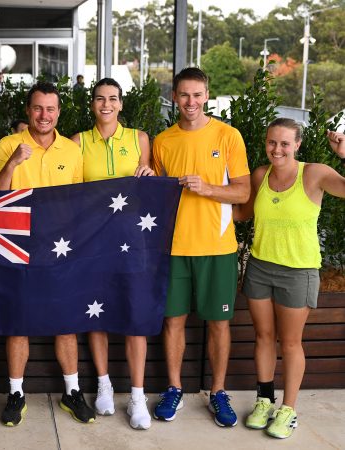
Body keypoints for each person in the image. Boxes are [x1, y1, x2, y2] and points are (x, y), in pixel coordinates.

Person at [0, 81, 94, 426]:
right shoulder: (8, 145)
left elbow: (79, 201)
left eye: (50, 108)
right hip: (18, 245)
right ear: (27, 110)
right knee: (19, 321)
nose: (44, 115)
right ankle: (16, 394)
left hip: (61, 249)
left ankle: (71, 391)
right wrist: (13, 164)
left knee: (65, 321)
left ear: (59, 112)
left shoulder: (72, 149)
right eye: (37, 108)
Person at [151, 67, 250, 427]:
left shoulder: (228, 136)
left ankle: (218, 392)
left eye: (196, 94)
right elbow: (156, 196)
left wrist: (207, 188)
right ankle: (174, 388)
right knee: (172, 322)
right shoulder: (163, 141)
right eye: (183, 95)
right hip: (173, 249)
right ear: (174, 97)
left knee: (219, 323)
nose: (190, 102)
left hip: (216, 248)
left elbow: (243, 192)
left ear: (206, 95)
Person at [234, 121, 345, 439]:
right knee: (263, 337)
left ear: (297, 145)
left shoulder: (316, 173)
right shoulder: (260, 175)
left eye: (284, 144)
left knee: (292, 342)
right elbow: (242, 213)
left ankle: (288, 410)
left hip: (298, 272)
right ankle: (264, 400)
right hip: (260, 267)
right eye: (272, 143)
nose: (277, 149)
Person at [70, 77, 154, 430]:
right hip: (92, 241)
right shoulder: (77, 142)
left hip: (132, 240)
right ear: (92, 104)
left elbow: (150, 182)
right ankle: (103, 384)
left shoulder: (139, 138)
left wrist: (152, 173)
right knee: (97, 312)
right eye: (100, 98)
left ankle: (137, 396)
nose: (107, 104)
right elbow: (70, 194)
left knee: (135, 313)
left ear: (122, 104)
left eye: (113, 99)